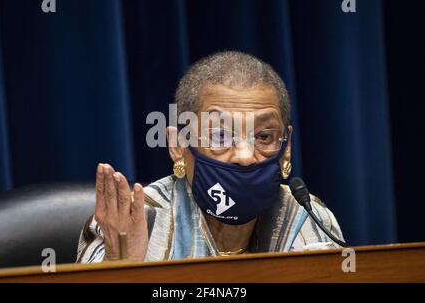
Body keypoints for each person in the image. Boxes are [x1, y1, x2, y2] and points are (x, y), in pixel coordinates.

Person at [76, 51, 344, 263]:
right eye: (219, 136)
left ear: (286, 148)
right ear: (178, 146)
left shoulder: (309, 220)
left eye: (263, 137)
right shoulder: (131, 222)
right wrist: (122, 269)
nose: (245, 156)